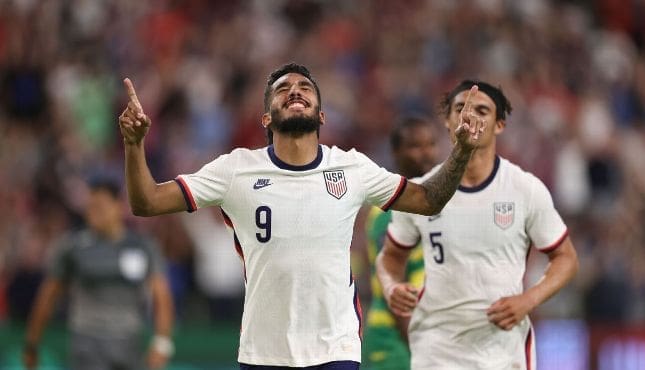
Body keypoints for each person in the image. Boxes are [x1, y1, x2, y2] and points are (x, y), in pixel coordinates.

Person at [118, 63, 485, 369]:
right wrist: (134, 145)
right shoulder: (236, 170)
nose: (295, 91)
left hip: (335, 350)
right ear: (266, 117)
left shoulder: (351, 167)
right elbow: (146, 202)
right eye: (283, 89)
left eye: (305, 87)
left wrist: (463, 151)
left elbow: (428, 200)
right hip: (264, 351)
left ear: (321, 114)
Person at [376, 80, 580, 370]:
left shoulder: (524, 189)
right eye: (460, 108)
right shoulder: (422, 193)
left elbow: (567, 258)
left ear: (499, 125)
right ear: (447, 122)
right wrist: (390, 286)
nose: (470, 116)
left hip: (501, 346)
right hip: (436, 346)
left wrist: (528, 300)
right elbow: (390, 257)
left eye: (482, 110)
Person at [23, 177, 175, 370]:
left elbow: (161, 296)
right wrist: (32, 342)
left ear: (118, 206)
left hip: (129, 343)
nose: (94, 214)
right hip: (86, 342)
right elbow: (48, 295)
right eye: (91, 207)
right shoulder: (72, 247)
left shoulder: (143, 246)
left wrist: (162, 342)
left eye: (101, 207)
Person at [361, 116, 440, 370]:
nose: (426, 153)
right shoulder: (390, 209)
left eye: (431, 144)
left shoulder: (427, 205)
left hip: (420, 337)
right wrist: (420, 351)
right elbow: (397, 286)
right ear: (396, 152)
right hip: (394, 345)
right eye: (416, 146)